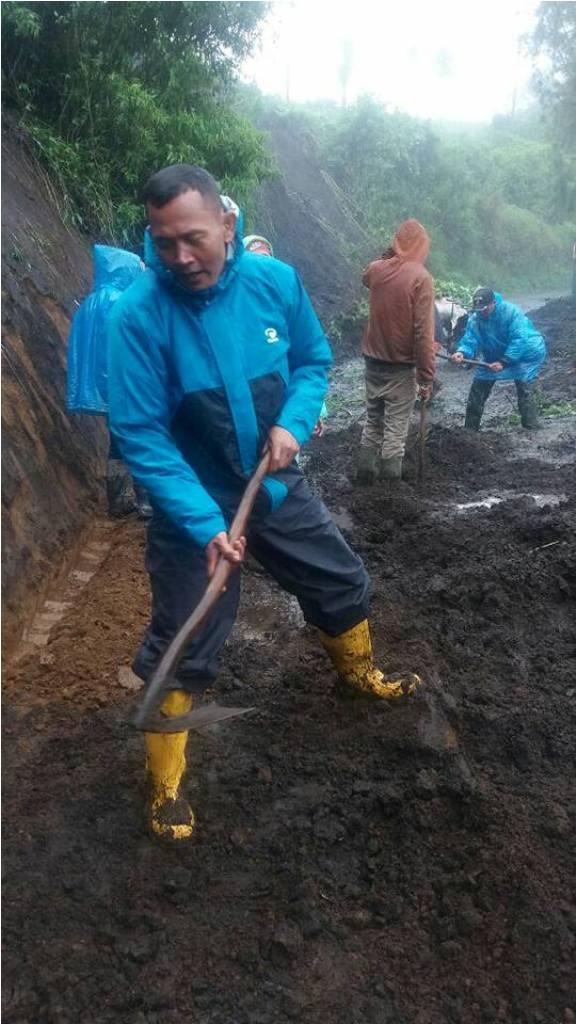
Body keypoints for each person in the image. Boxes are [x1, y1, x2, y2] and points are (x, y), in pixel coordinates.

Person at [108, 164, 422, 842]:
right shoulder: (138, 314)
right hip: (192, 499)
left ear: (227, 222)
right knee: (186, 632)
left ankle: (359, 675)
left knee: (339, 579)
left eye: (192, 238)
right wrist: (202, 525)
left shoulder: (275, 282)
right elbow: (139, 433)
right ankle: (164, 785)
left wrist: (293, 423)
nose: (180, 258)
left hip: (273, 483)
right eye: (164, 243)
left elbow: (312, 362)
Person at [67, 245, 151, 517]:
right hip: (125, 386)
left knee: (117, 442)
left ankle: (119, 501)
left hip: (102, 389)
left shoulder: (89, 304)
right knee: (137, 438)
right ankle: (144, 501)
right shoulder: (120, 302)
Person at [357, 219, 436, 484]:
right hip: (401, 367)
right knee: (395, 428)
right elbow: (423, 333)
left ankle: (365, 477)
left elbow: (365, 276)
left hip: (372, 362)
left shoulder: (377, 270)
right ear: (422, 246)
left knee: (373, 421)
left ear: (396, 242)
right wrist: (426, 377)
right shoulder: (421, 278)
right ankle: (390, 491)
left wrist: (389, 255)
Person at [452, 287, 546, 431]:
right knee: (478, 387)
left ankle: (531, 426)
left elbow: (519, 339)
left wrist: (504, 361)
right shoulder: (476, 319)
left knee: (524, 385)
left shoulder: (511, 313)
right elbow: (470, 339)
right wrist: (462, 352)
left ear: (493, 303)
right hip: (494, 355)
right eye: (478, 309)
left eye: (484, 308)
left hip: (525, 354)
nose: (481, 312)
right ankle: (470, 430)